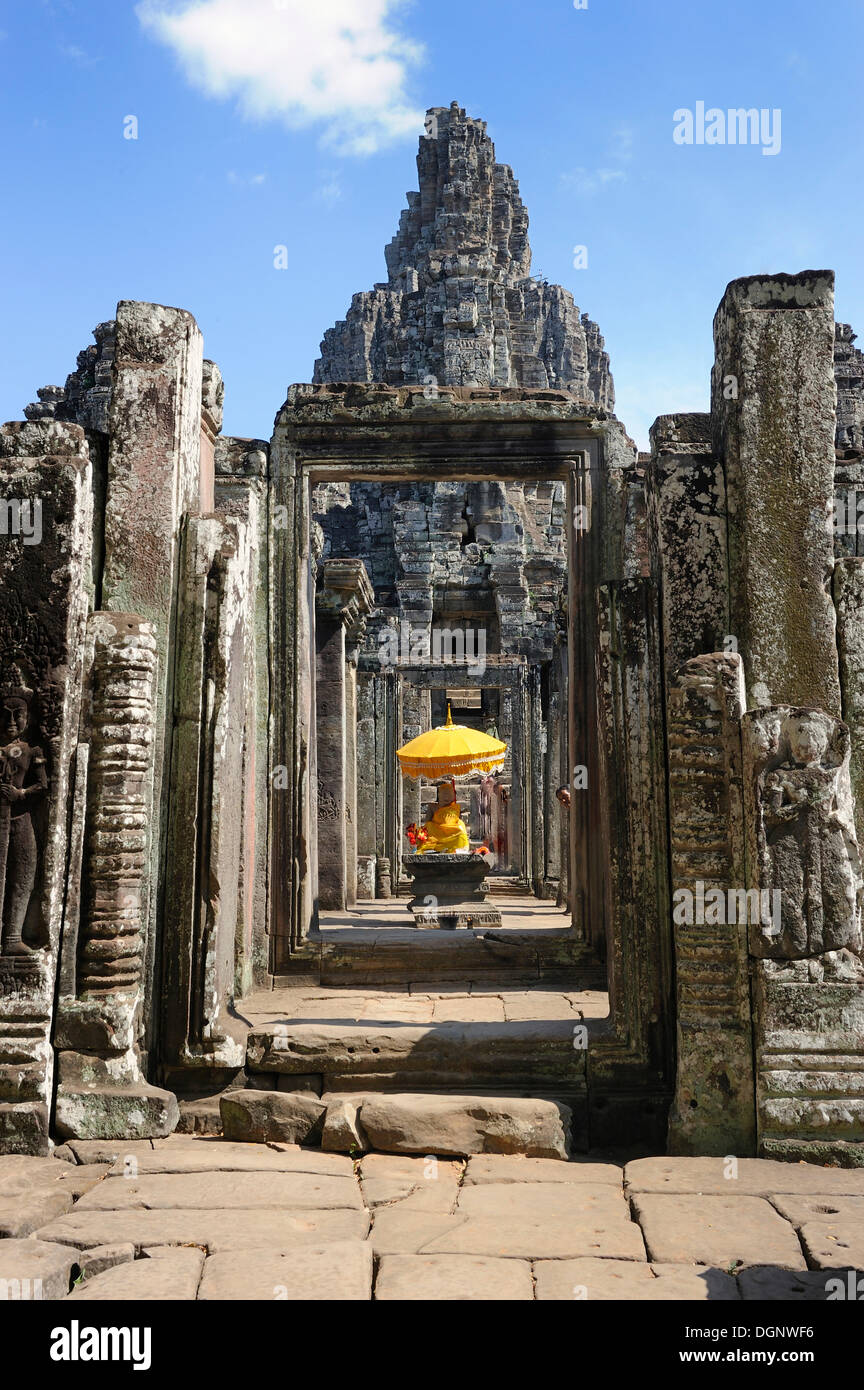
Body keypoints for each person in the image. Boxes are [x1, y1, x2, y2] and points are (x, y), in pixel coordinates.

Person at [418, 780, 470, 854]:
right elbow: (427, 822)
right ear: (439, 795)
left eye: (449, 794)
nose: (447, 797)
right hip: (437, 833)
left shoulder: (455, 807)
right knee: (429, 826)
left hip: (452, 833)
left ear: (453, 796)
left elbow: (457, 822)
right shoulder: (432, 806)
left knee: (461, 828)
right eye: (444, 794)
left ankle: (455, 848)